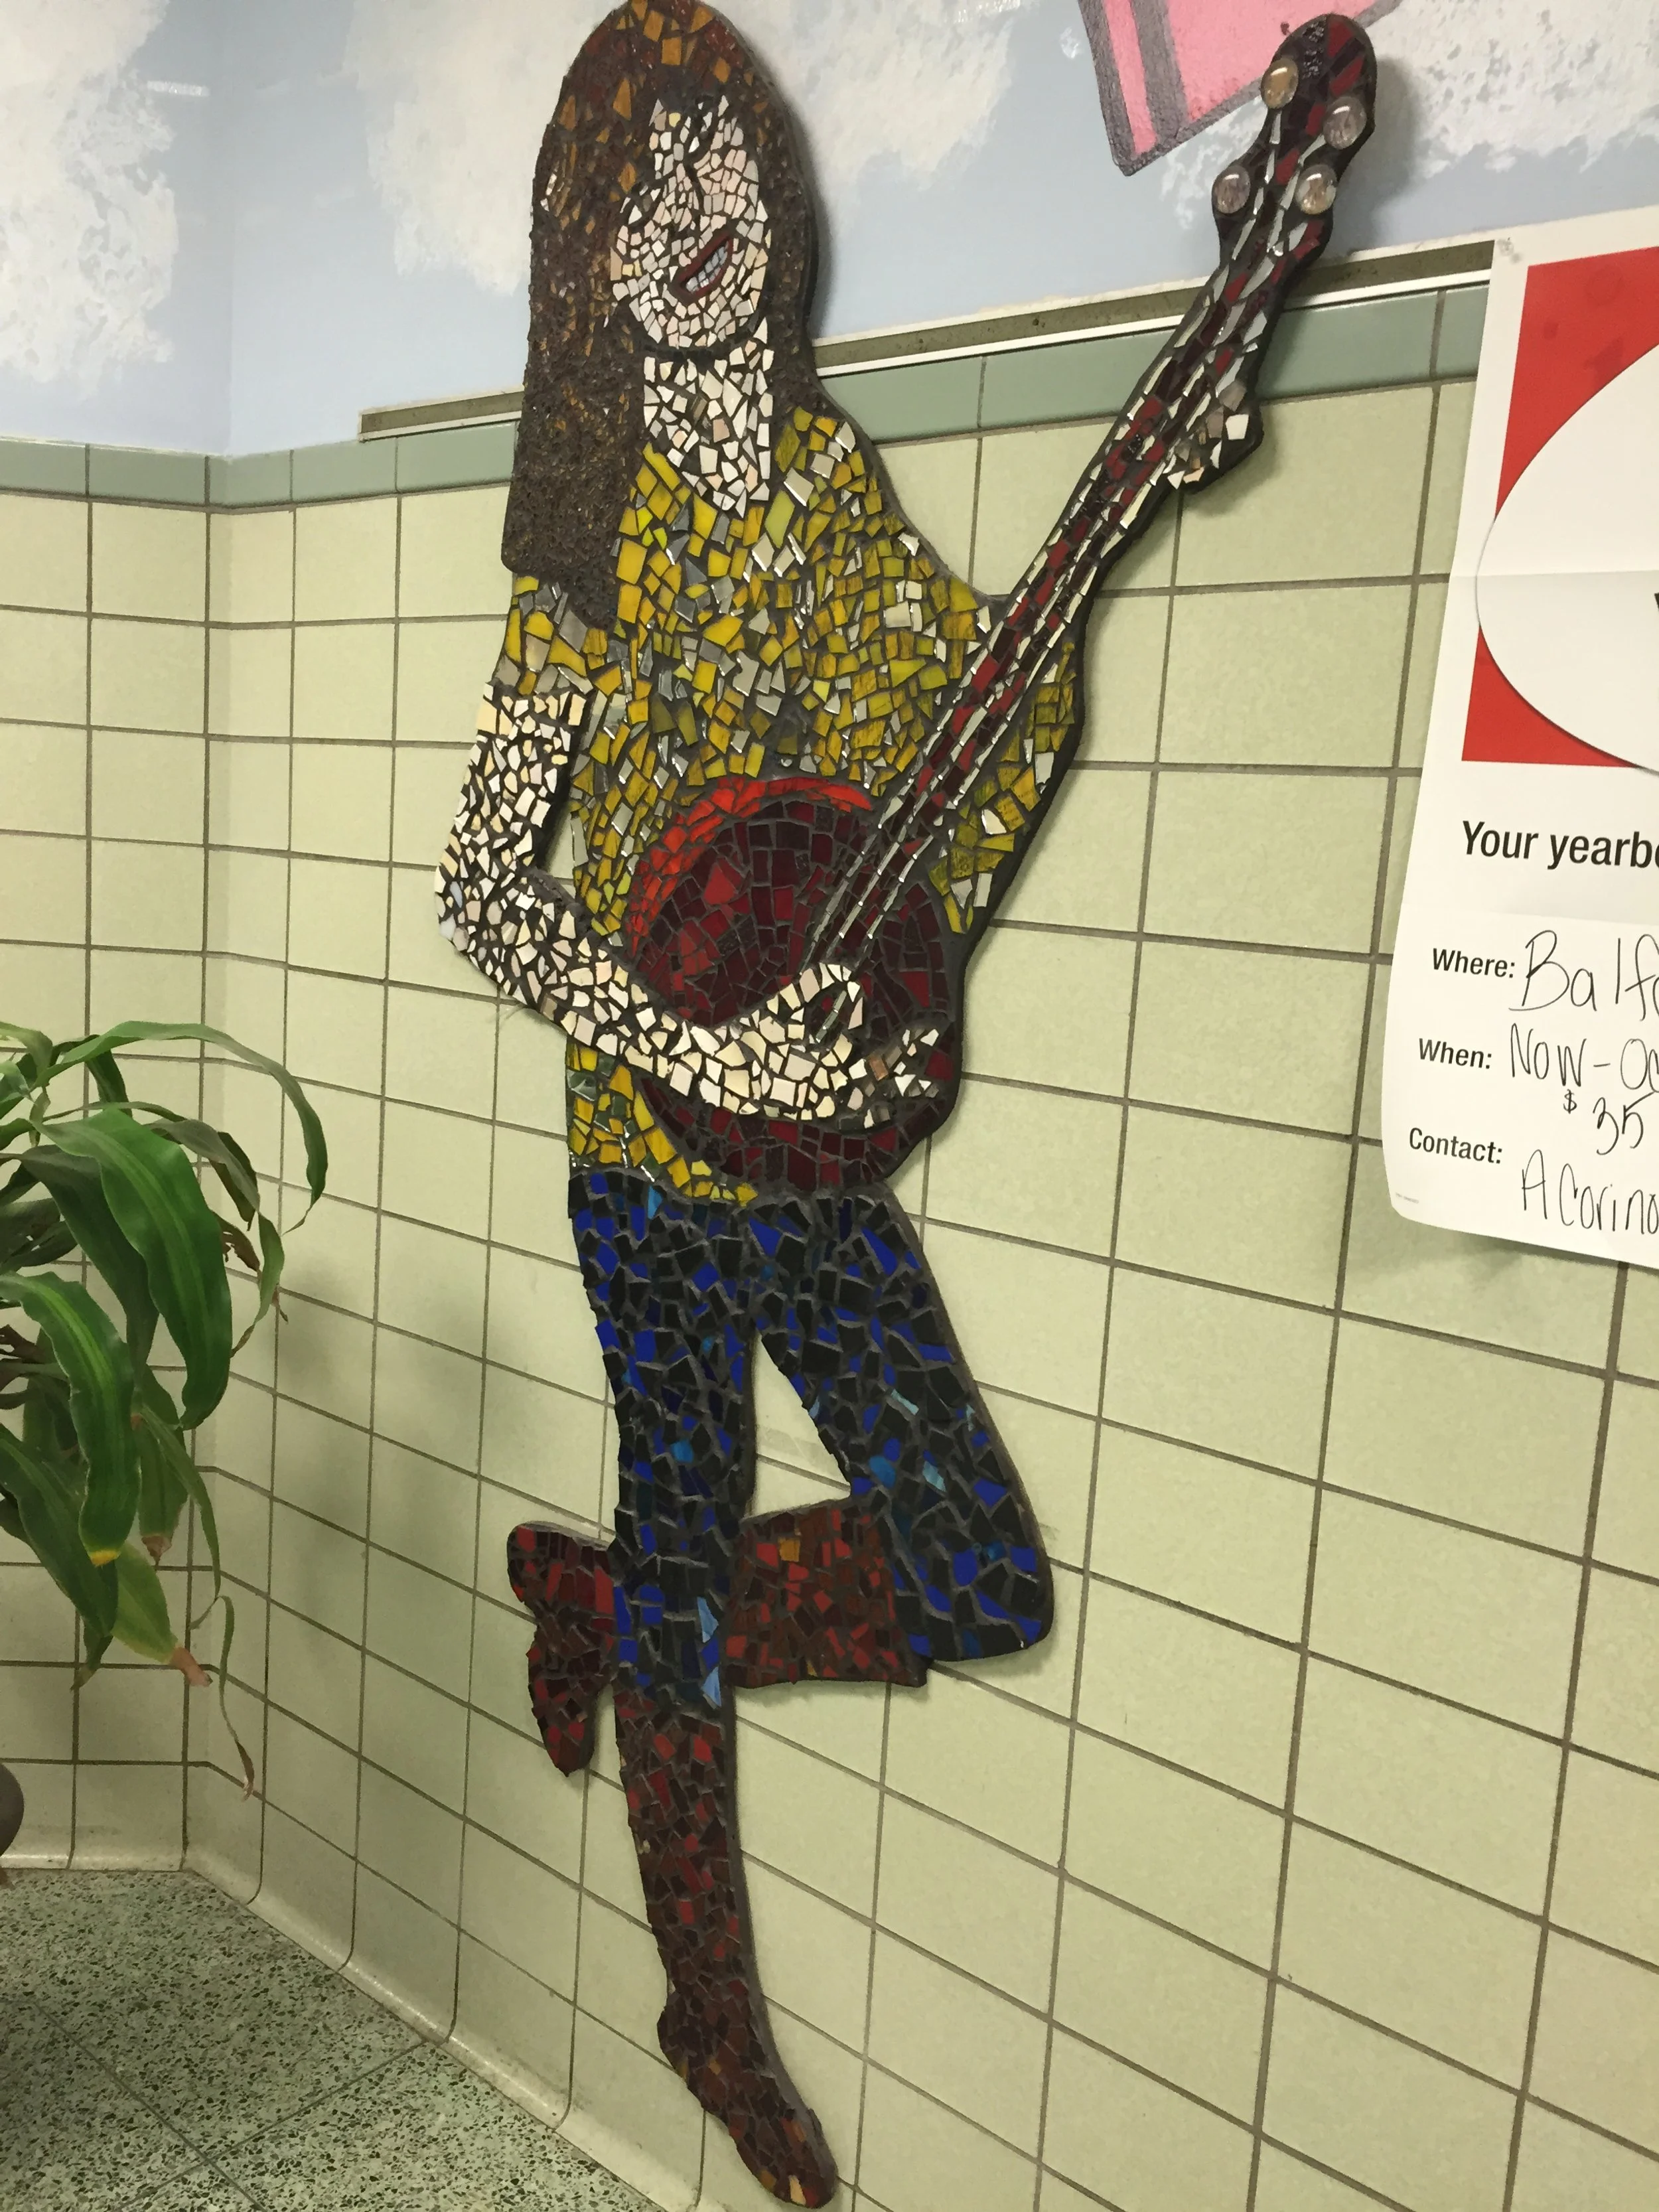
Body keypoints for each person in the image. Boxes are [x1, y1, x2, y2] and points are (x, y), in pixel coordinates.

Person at [438, 3, 1082, 2199]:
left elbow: (952, 765)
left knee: (975, 1566)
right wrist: (699, 1047)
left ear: (773, 210)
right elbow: (482, 891)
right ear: (596, 265)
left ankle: (616, 1611)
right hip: (653, 1166)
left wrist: (1091, 566)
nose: (698, 229)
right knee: (698, 1535)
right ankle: (706, 2015)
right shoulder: (593, 548)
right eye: (648, 202)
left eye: (722, 180)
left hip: (811, 1149)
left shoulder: (826, 487)